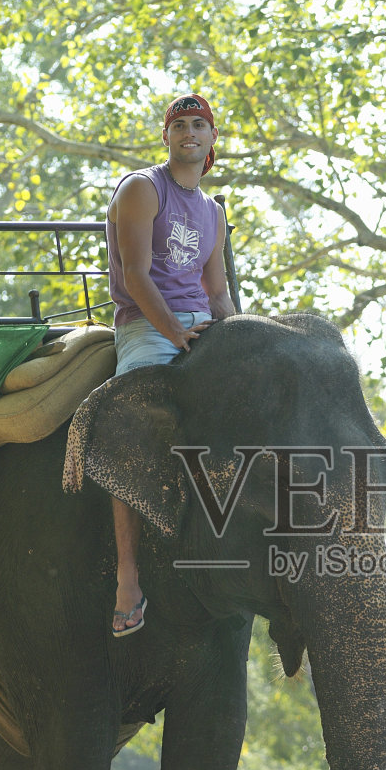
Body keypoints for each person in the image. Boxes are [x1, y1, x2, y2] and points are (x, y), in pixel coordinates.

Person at [105, 93, 235, 636]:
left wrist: (238, 343)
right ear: (166, 137)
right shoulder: (142, 188)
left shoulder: (214, 213)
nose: (189, 132)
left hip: (201, 326)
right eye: (178, 125)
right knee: (132, 425)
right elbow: (136, 275)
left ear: (210, 141)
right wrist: (175, 333)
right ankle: (128, 575)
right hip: (148, 325)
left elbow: (220, 292)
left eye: (198, 125)